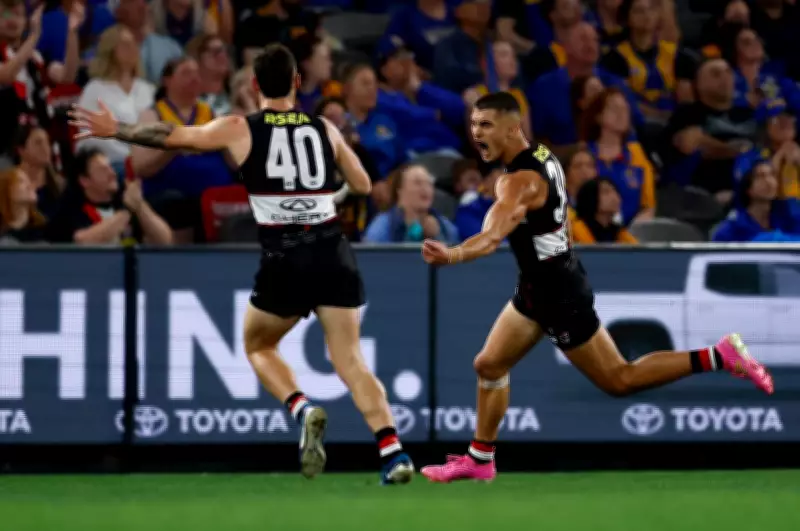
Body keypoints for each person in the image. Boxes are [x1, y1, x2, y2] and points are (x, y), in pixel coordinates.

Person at [69, 43, 414, 485]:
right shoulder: (324, 127)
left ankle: (302, 408)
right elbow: (363, 184)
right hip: (332, 250)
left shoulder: (238, 128)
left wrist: (116, 129)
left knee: (257, 346)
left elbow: (173, 137)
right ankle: (393, 451)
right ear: (296, 83)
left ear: (254, 85)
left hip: (285, 254)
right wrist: (325, 192)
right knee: (350, 360)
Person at [419, 92, 774, 484]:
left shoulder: (518, 182)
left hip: (558, 295)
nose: (476, 133)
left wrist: (452, 254)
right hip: (540, 285)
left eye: (485, 125)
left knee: (620, 379)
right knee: (488, 364)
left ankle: (719, 356)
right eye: (473, 124)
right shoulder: (543, 155)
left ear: (512, 127)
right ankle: (480, 459)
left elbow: (489, 239)